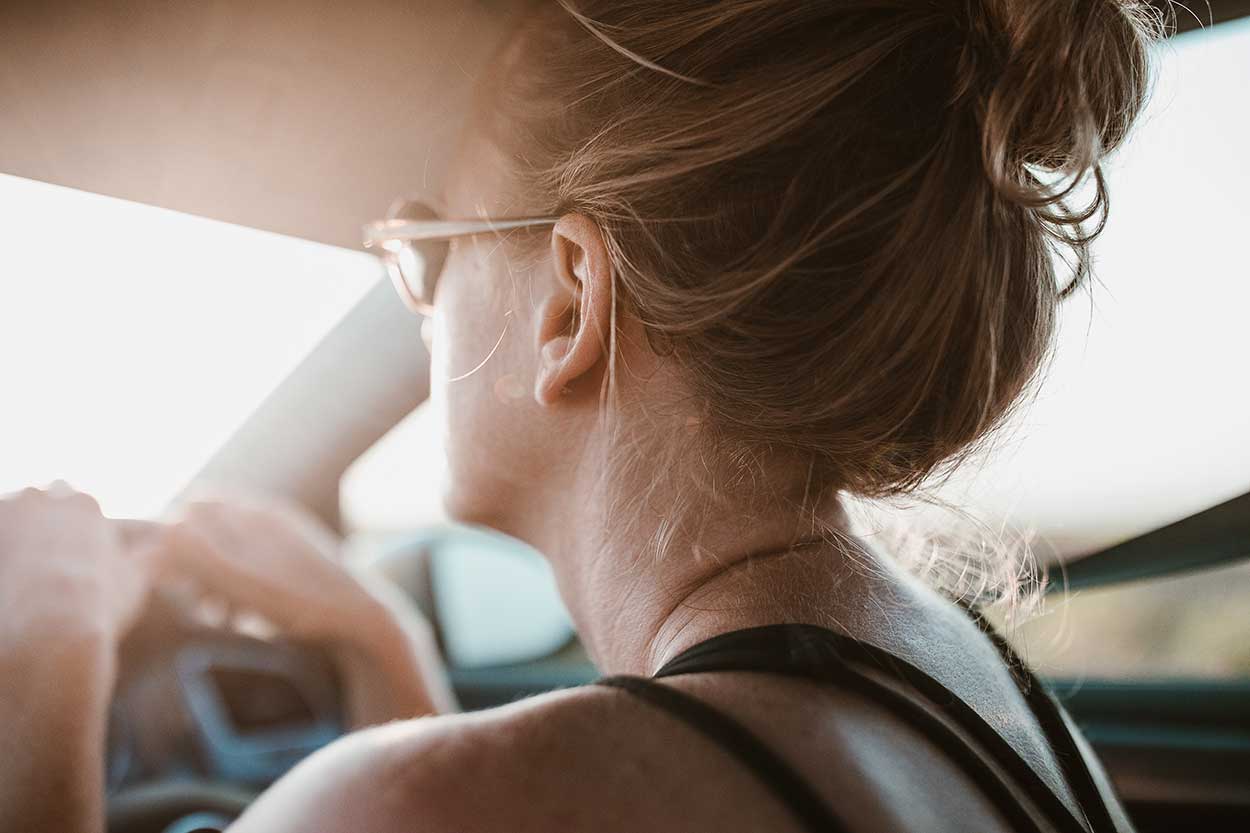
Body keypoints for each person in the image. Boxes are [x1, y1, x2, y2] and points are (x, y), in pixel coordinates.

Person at [0, 1, 1161, 830]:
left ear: (567, 303)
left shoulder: (426, 801)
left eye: (423, 244)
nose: (419, 303)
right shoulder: (977, 689)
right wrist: (378, 639)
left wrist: (41, 657)